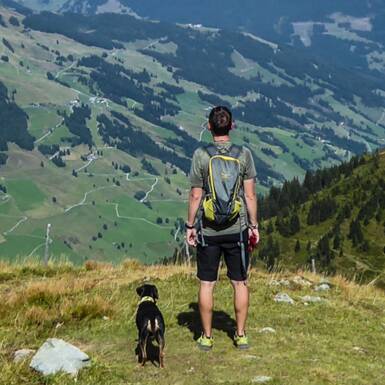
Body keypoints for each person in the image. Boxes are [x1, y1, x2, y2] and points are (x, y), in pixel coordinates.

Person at [185, 106, 260, 351]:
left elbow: (196, 195)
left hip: (208, 230)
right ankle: (240, 335)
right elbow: (249, 195)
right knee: (240, 282)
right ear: (232, 125)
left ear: (209, 127)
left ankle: (206, 337)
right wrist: (253, 225)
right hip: (237, 229)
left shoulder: (200, 155)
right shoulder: (244, 154)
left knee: (207, 284)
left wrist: (189, 226)